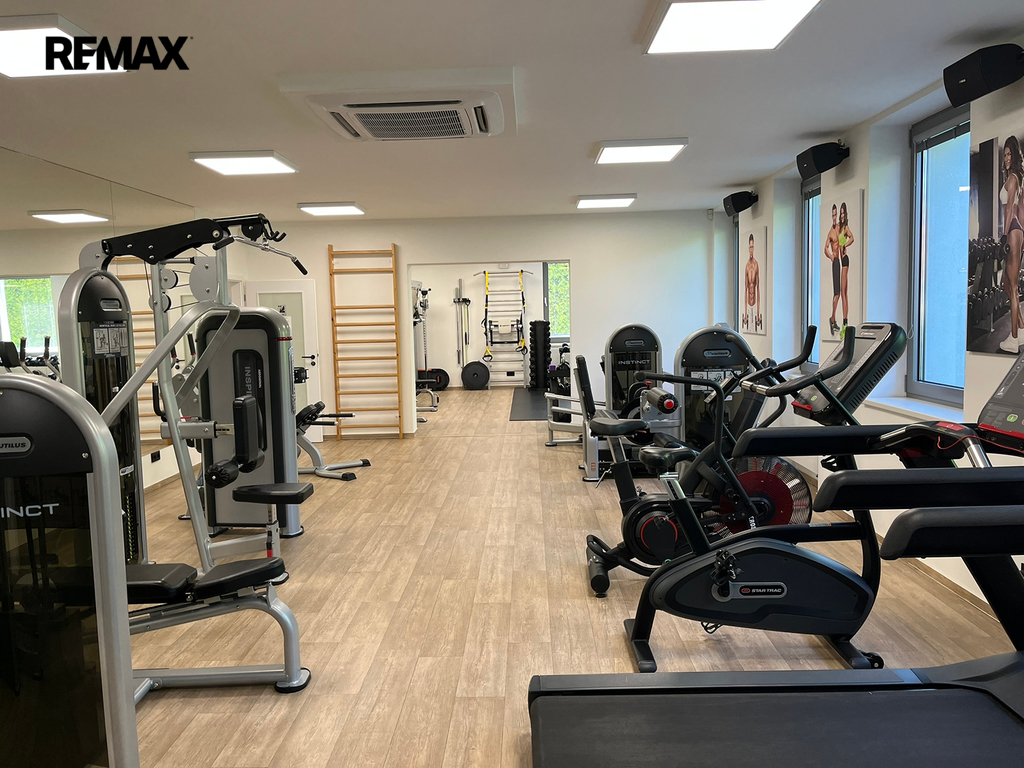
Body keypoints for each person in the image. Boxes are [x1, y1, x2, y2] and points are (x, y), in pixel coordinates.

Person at [1000, 135, 1024, 354]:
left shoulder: (1013, 179)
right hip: (1017, 231)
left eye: (1010, 154)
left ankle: (1013, 340)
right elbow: (1020, 209)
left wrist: (1005, 235)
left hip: (1012, 232)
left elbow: (1010, 211)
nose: (1007, 158)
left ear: (1015, 156)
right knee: (1008, 285)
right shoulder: (1015, 179)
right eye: (1005, 154)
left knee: (1013, 287)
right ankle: (1022, 329)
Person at [838, 201, 855, 340]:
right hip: (840, 261)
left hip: (845, 260)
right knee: (842, 292)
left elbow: (852, 238)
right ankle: (844, 321)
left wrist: (845, 245)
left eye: (843, 213)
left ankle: (845, 322)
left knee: (844, 292)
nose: (842, 215)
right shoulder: (838, 228)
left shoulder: (845, 228)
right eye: (841, 213)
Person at [824, 204, 841, 336]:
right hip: (835, 262)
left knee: (838, 293)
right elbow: (825, 249)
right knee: (837, 293)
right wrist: (831, 257)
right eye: (833, 215)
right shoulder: (830, 232)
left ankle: (833, 319)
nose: (834, 217)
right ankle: (832, 319)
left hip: (840, 261)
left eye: (836, 215)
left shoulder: (840, 227)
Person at [744, 233, 761, 332]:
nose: (751, 249)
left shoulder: (756, 265)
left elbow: (758, 289)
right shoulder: (747, 266)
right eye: (750, 247)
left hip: (754, 304)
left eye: (752, 247)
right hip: (748, 304)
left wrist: (758, 313)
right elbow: (745, 289)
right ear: (748, 248)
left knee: (755, 329)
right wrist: (745, 312)